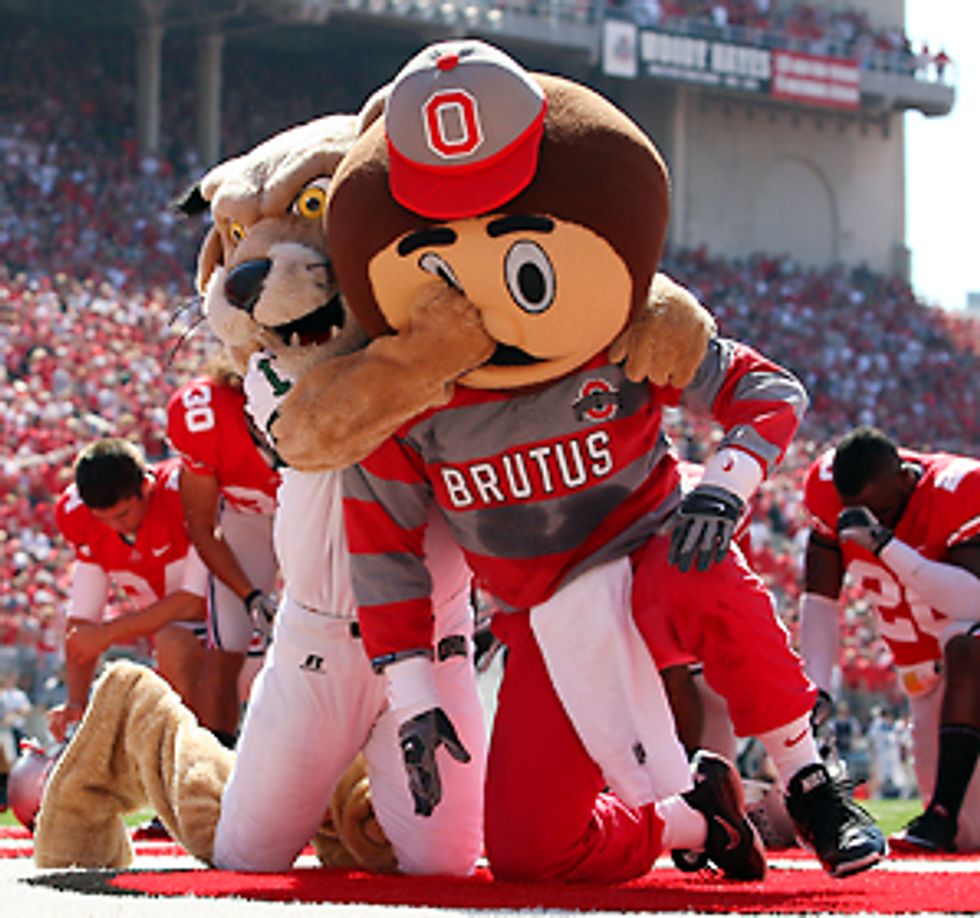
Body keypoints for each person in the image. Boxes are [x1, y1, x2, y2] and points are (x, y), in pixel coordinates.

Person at [331, 39, 884, 882]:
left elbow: (769, 392)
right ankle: (698, 820)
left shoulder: (622, 327)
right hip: (547, 619)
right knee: (528, 854)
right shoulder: (407, 394)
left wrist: (724, 490)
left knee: (699, 564)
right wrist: (410, 695)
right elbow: (382, 551)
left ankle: (812, 780)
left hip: (653, 562)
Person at [800, 426, 980, 852]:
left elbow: (973, 601)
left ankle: (940, 814)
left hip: (969, 659)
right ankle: (945, 819)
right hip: (921, 675)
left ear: (904, 478)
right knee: (969, 837)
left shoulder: (958, 487)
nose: (874, 519)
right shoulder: (825, 487)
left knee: (966, 643)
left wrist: (886, 547)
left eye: (881, 509)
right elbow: (819, 597)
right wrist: (817, 687)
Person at [48, 437, 208, 741]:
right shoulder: (79, 518)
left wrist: (108, 633)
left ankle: (191, 754)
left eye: (122, 514)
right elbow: (82, 623)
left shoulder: (182, 491)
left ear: (146, 487)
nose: (114, 526)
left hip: (232, 639)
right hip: (174, 647)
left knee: (172, 643)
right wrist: (75, 702)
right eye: (102, 518)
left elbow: (193, 603)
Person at [166, 367, 280, 748]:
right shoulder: (205, 412)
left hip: (312, 506)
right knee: (227, 644)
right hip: (248, 517)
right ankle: (214, 767)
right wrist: (250, 595)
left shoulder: (315, 388)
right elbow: (201, 525)